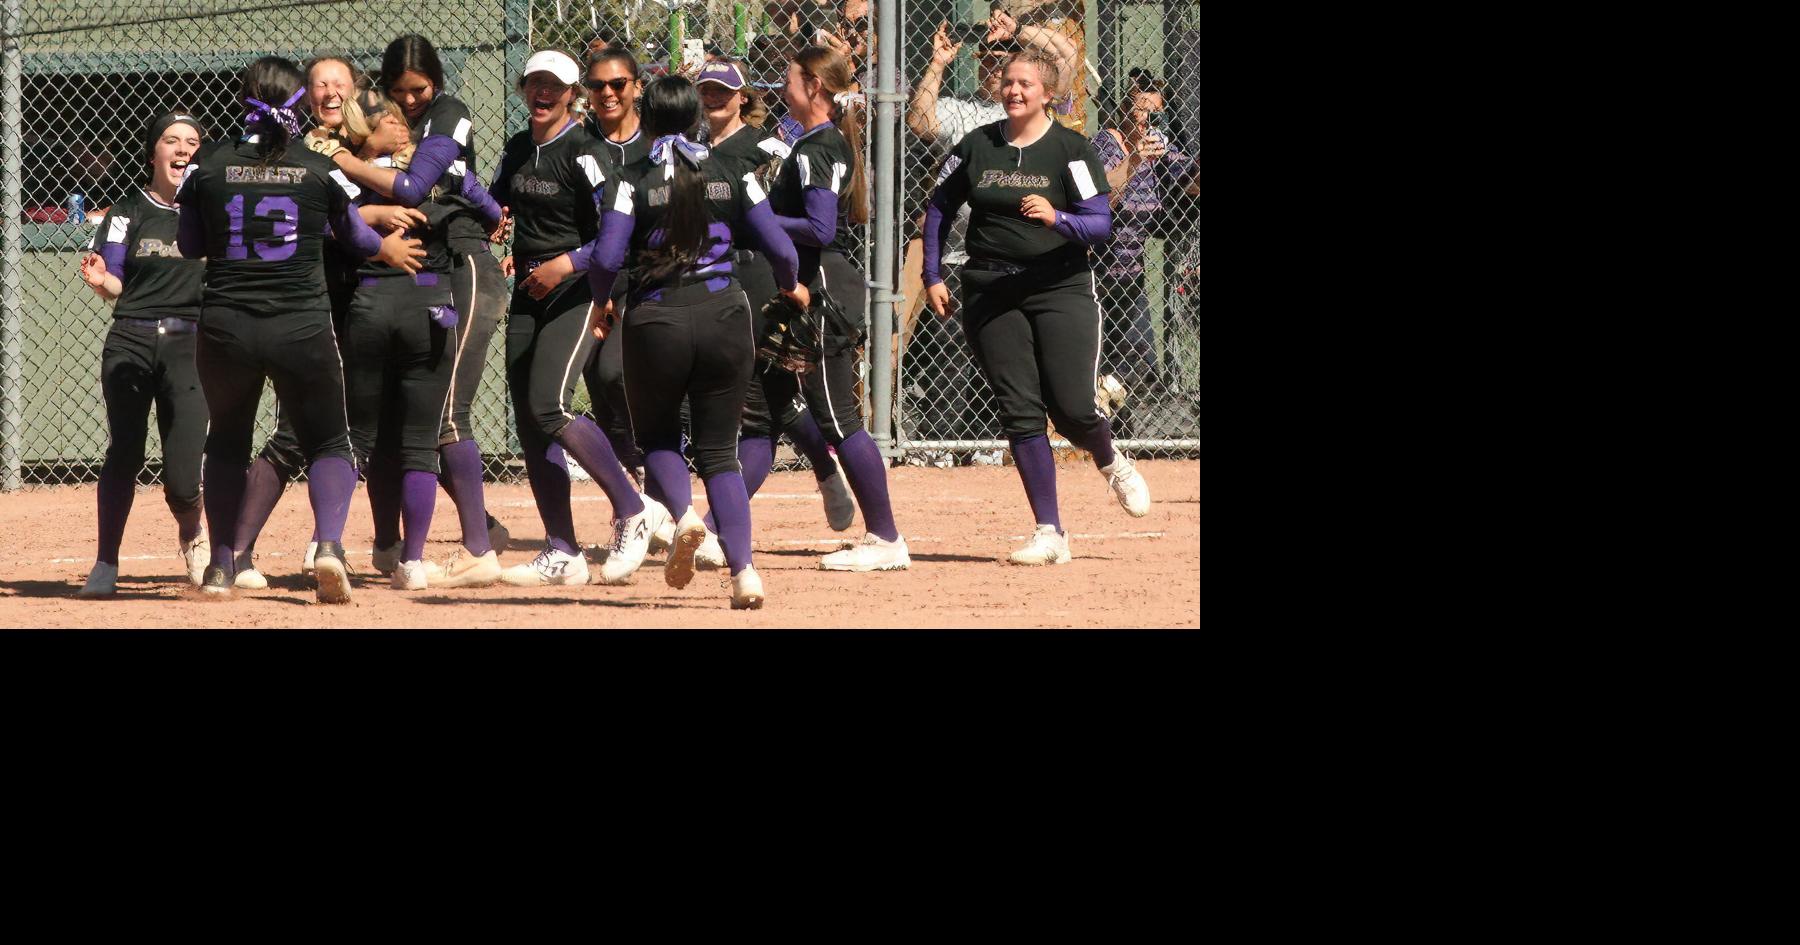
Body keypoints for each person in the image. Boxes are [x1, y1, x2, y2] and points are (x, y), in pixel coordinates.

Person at [176, 55, 417, 601]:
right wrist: (385, 246)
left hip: (226, 324)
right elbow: (356, 239)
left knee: (229, 441)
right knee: (330, 438)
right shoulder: (318, 167)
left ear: (245, 102)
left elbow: (191, 246)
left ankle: (219, 568)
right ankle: (329, 546)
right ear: (299, 104)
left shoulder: (206, 167)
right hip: (300, 323)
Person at [921, 49, 1152, 565]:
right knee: (1020, 410)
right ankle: (1050, 531)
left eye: (1025, 83)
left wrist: (1056, 219)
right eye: (1007, 82)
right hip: (990, 290)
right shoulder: (977, 145)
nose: (1013, 91)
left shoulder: (1071, 150)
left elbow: (1098, 223)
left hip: (1059, 289)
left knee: (1071, 408)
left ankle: (1111, 459)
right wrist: (933, 273)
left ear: (1048, 94)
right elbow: (938, 206)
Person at [584, 75, 807, 608]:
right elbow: (781, 247)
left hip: (656, 318)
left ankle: (683, 515)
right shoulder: (732, 170)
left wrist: (602, 300)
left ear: (649, 117)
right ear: (696, 118)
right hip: (724, 315)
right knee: (720, 455)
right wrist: (787, 285)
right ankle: (745, 574)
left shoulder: (629, 178)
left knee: (659, 436)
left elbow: (606, 258)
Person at [322, 34, 515, 588]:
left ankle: (478, 546)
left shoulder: (449, 114)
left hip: (464, 268)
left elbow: (413, 186)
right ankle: (396, 544)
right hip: (416, 276)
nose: (409, 102)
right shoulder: (381, 124)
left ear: (438, 83)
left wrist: (341, 160)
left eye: (419, 90)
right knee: (397, 422)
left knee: (446, 415)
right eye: (399, 92)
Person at [488, 49, 666, 587]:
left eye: (555, 86)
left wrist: (567, 264)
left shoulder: (586, 151)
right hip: (529, 291)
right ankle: (562, 551)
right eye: (535, 84)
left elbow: (617, 231)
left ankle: (634, 508)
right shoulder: (519, 147)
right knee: (528, 418)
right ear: (524, 89)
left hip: (576, 290)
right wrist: (490, 217)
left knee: (551, 405)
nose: (543, 93)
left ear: (571, 95)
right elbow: (498, 202)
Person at [226, 54, 396, 589]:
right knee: (300, 434)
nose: (328, 92)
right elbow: (342, 223)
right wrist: (371, 215)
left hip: (357, 304)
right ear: (301, 98)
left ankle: (374, 544)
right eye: (317, 84)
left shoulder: (361, 143)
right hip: (307, 304)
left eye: (339, 85)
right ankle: (259, 548)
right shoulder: (305, 156)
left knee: (361, 429)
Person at [689, 58, 859, 567]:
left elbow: (805, 216)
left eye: (725, 89)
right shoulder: (690, 152)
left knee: (763, 401)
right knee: (771, 400)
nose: (715, 97)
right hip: (709, 274)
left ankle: (721, 525)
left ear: (743, 97)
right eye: (707, 89)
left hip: (762, 273)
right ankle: (824, 466)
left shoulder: (772, 148)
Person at [758, 44, 910, 572]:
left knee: (838, 418)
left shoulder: (814, 148)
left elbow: (822, 230)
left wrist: (757, 219)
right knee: (811, 406)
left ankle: (887, 538)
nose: (784, 87)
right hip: (820, 284)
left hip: (823, 288)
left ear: (814, 88)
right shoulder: (817, 142)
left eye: (790, 79)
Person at [74, 111, 209, 598]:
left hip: (189, 344)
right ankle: (106, 561)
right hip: (130, 339)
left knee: (181, 475)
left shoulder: (211, 213)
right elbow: (114, 282)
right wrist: (99, 280)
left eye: (192, 142)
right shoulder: (128, 211)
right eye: (171, 141)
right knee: (124, 452)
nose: (182, 149)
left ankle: (192, 534)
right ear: (153, 152)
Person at [1092, 69, 1198, 403]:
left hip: (1131, 275)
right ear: (1124, 106)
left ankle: (1123, 435)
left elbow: (1193, 185)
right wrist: (1136, 158)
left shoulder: (1158, 146)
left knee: (1137, 367)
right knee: (1094, 361)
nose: (1148, 118)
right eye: (1141, 108)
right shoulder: (1104, 144)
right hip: (1094, 270)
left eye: (1155, 112)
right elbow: (1099, 197)